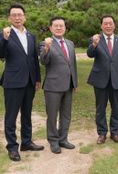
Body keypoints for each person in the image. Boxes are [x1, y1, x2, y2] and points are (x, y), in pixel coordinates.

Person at [0, 4, 43, 162]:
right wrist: (4, 39)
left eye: (20, 15)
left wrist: (37, 78)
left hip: (30, 81)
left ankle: (26, 142)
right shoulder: (5, 34)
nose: (17, 17)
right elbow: (1, 54)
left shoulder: (30, 36)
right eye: (14, 15)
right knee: (11, 116)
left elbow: (33, 59)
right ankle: (12, 147)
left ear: (24, 17)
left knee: (27, 114)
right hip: (13, 82)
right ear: (9, 18)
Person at [87, 15, 118, 144]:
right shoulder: (96, 39)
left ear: (114, 25)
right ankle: (102, 133)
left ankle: (115, 133)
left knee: (117, 108)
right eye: (105, 23)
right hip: (100, 80)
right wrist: (94, 44)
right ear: (101, 26)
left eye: (110, 23)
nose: (108, 26)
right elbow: (90, 54)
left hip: (117, 79)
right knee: (100, 108)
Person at [39, 17, 78, 154]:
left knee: (66, 115)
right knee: (52, 115)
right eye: (56, 26)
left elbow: (72, 64)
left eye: (61, 26)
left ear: (65, 28)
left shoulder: (70, 43)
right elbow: (43, 62)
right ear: (50, 28)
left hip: (68, 85)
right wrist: (47, 48)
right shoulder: (45, 43)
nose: (59, 28)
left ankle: (63, 139)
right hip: (53, 86)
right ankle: (53, 141)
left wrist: (75, 82)